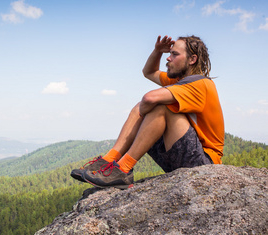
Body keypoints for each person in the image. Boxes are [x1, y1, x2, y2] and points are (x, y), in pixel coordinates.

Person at [71, 35, 225, 188]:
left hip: (204, 163)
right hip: (186, 158)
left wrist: (142, 112)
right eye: (169, 53)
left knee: (159, 105)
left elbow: (150, 98)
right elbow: (149, 72)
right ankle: (108, 160)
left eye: (175, 54)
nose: (168, 58)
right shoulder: (178, 81)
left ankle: (123, 169)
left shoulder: (202, 84)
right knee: (149, 104)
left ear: (192, 59)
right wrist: (157, 51)